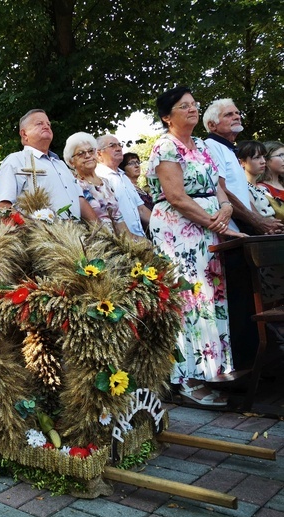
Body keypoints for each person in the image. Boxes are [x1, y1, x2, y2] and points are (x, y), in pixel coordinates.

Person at [147, 86, 239, 407]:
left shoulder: (201, 145)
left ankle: (212, 369)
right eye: (184, 106)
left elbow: (219, 186)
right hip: (179, 230)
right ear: (166, 117)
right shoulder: (165, 147)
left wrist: (225, 208)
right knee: (189, 298)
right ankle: (185, 379)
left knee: (212, 296)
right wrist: (214, 220)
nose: (192, 109)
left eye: (194, 105)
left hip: (209, 227)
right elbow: (176, 196)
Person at [0, 109, 98, 223]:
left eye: (48, 124)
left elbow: (80, 200)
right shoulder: (15, 161)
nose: (46, 126)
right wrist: (31, 230)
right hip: (38, 237)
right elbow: (3, 206)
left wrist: (102, 231)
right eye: (39, 123)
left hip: (75, 235)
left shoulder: (61, 164)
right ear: (24, 134)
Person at [203, 99, 283, 235]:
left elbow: (241, 195)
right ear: (212, 125)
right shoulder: (211, 146)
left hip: (242, 230)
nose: (237, 116)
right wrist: (257, 221)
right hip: (229, 231)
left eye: (237, 113)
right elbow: (221, 189)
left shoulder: (229, 149)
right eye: (228, 114)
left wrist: (260, 221)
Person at [63, 132, 130, 235]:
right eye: (81, 153)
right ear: (71, 162)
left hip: (119, 241)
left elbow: (119, 221)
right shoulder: (74, 185)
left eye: (91, 151)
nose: (88, 155)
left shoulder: (106, 182)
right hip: (96, 243)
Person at [95, 134, 150, 238]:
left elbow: (141, 209)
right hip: (123, 243)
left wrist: (164, 226)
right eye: (112, 146)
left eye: (119, 145)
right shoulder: (99, 177)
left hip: (141, 240)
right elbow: (108, 216)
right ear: (99, 154)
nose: (118, 148)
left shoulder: (124, 176)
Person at [237, 141, 277, 219]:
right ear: (242, 162)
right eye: (257, 157)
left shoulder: (263, 188)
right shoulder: (243, 189)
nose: (263, 161)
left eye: (263, 157)